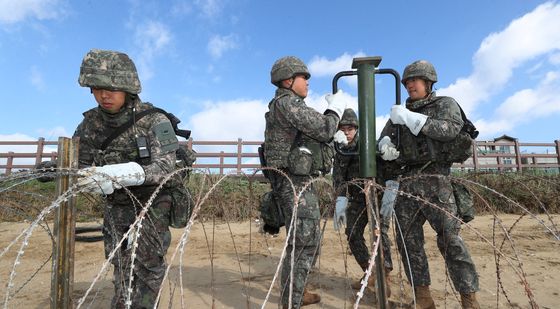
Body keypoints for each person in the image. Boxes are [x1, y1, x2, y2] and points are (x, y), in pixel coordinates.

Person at [75, 49, 179, 308]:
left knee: (146, 265)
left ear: (128, 88)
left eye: (112, 88)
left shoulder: (155, 120)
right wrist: (59, 169)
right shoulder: (90, 125)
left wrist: (124, 173)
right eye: (97, 88)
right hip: (117, 205)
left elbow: (166, 166)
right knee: (120, 263)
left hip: (152, 202)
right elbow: (79, 161)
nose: (104, 95)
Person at [378, 60, 480, 309]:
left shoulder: (444, 104)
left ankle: (469, 298)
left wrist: (414, 120)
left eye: (415, 80)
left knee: (450, 240)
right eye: (407, 82)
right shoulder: (397, 116)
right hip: (407, 182)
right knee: (408, 242)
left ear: (429, 82)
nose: (410, 85)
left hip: (436, 180)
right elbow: (384, 139)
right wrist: (384, 146)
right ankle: (422, 297)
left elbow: (449, 131)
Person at [264, 56, 347, 308]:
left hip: (296, 181)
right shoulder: (287, 102)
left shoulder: (286, 104)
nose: (308, 82)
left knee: (306, 241)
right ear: (289, 80)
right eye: (304, 77)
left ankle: (297, 293)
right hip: (294, 182)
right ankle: (292, 300)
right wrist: (335, 110)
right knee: (303, 243)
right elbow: (323, 128)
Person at [332, 108, 393, 295]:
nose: (346, 132)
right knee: (352, 232)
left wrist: (391, 188)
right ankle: (370, 271)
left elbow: (387, 163)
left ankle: (385, 272)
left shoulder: (369, 144)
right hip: (358, 197)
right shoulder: (340, 147)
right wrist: (340, 198)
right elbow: (339, 175)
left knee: (379, 232)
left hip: (377, 195)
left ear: (357, 129)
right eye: (342, 129)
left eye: (350, 128)